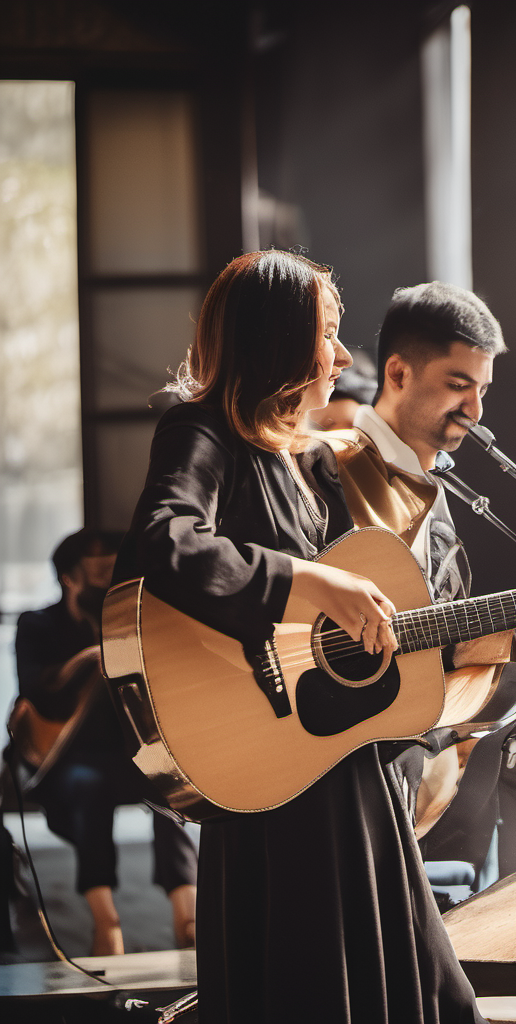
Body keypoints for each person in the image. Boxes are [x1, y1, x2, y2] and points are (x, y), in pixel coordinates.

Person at [111, 251, 484, 1023]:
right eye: (329, 332)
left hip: (342, 755)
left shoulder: (307, 462)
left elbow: (382, 590)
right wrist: (310, 581)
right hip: (269, 769)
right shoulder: (202, 431)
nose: (345, 358)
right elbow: (166, 540)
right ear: (281, 341)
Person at [319, 281, 516, 882]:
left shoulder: (440, 481)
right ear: (399, 373)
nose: (476, 410)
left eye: (483, 390)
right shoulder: (329, 464)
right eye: (458, 385)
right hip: (344, 761)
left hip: (428, 757)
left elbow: (447, 638)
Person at [11, 527, 198, 955]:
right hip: (68, 757)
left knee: (172, 786)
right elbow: (34, 691)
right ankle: (105, 922)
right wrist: (88, 659)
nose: (105, 579)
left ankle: (186, 916)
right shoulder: (37, 624)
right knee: (88, 787)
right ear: (68, 577)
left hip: (129, 752)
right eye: (94, 571)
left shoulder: (133, 620)